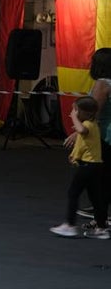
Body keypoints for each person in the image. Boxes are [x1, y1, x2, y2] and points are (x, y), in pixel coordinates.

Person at [66, 48, 111, 236]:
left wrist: (77, 132)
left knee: (98, 179)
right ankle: (100, 220)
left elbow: (93, 111)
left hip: (105, 137)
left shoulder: (102, 84)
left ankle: (99, 220)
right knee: (105, 179)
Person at [51, 96, 106, 238]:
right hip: (94, 166)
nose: (72, 113)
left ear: (85, 113)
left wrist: (74, 118)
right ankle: (101, 228)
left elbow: (81, 131)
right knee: (95, 197)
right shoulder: (92, 124)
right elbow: (84, 145)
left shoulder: (88, 124)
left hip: (88, 166)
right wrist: (75, 155)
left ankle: (69, 225)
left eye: (75, 110)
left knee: (73, 193)